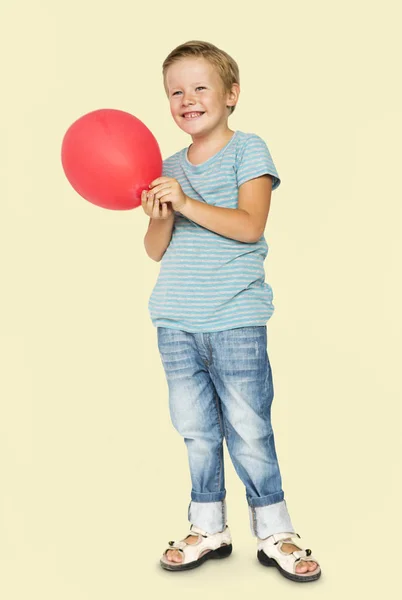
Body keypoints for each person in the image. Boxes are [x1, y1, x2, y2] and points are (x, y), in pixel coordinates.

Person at [141, 40, 321, 582]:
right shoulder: (165, 165)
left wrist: (187, 202)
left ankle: (274, 531)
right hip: (175, 319)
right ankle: (208, 526)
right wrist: (159, 212)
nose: (188, 99)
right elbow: (154, 249)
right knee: (195, 428)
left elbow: (249, 226)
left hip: (236, 318)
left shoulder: (249, 150)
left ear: (231, 94)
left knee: (248, 425)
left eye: (201, 87)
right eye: (176, 91)